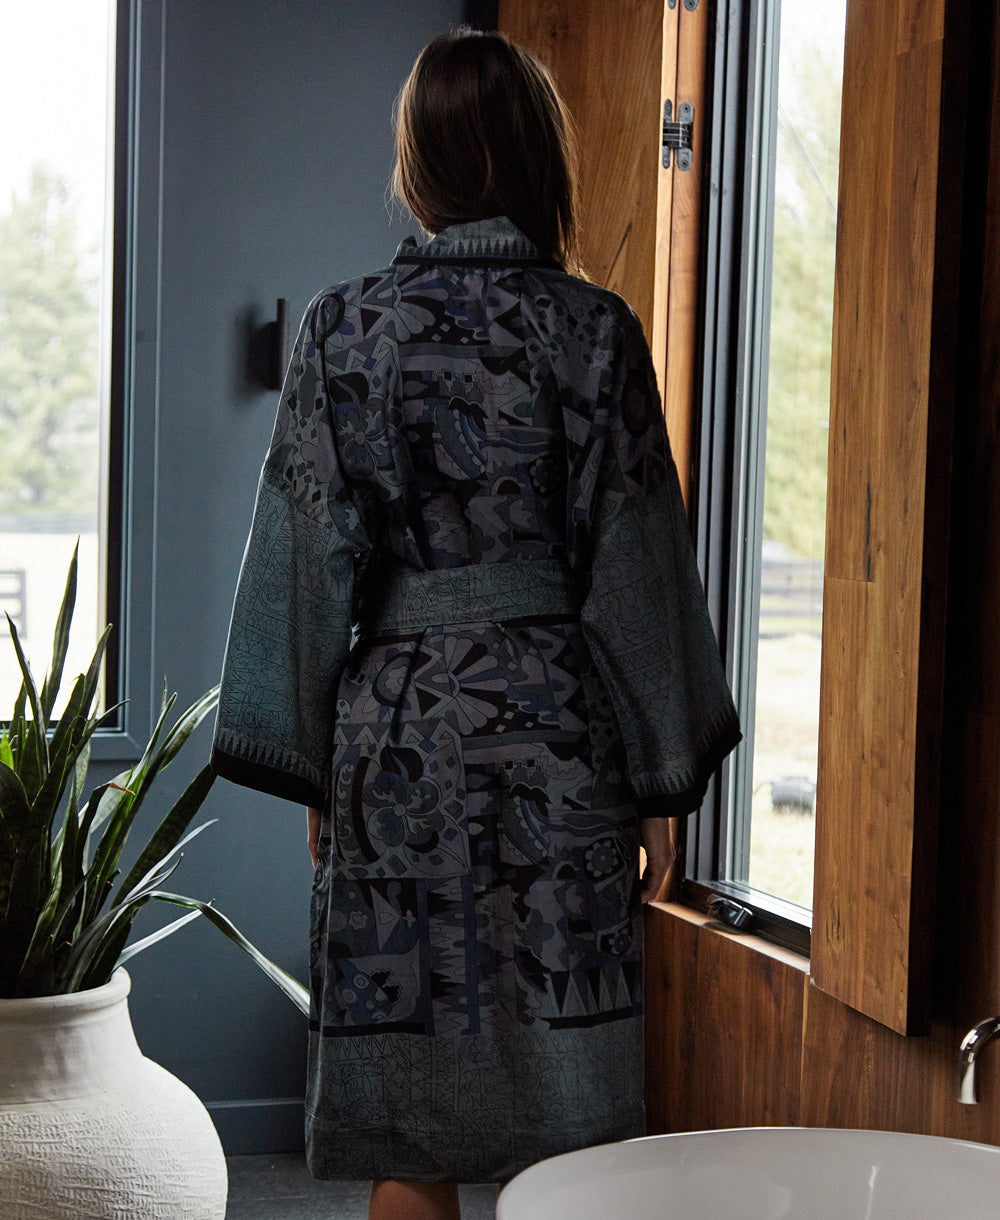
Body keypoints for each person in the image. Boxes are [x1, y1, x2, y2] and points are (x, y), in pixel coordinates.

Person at [212, 27, 740, 1220]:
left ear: (420, 164)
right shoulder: (596, 334)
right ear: (537, 158)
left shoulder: (343, 332)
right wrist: (660, 776)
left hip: (394, 745)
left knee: (415, 1117)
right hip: (563, 745)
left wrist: (315, 769)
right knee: (576, 1114)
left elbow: (306, 554)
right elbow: (636, 560)